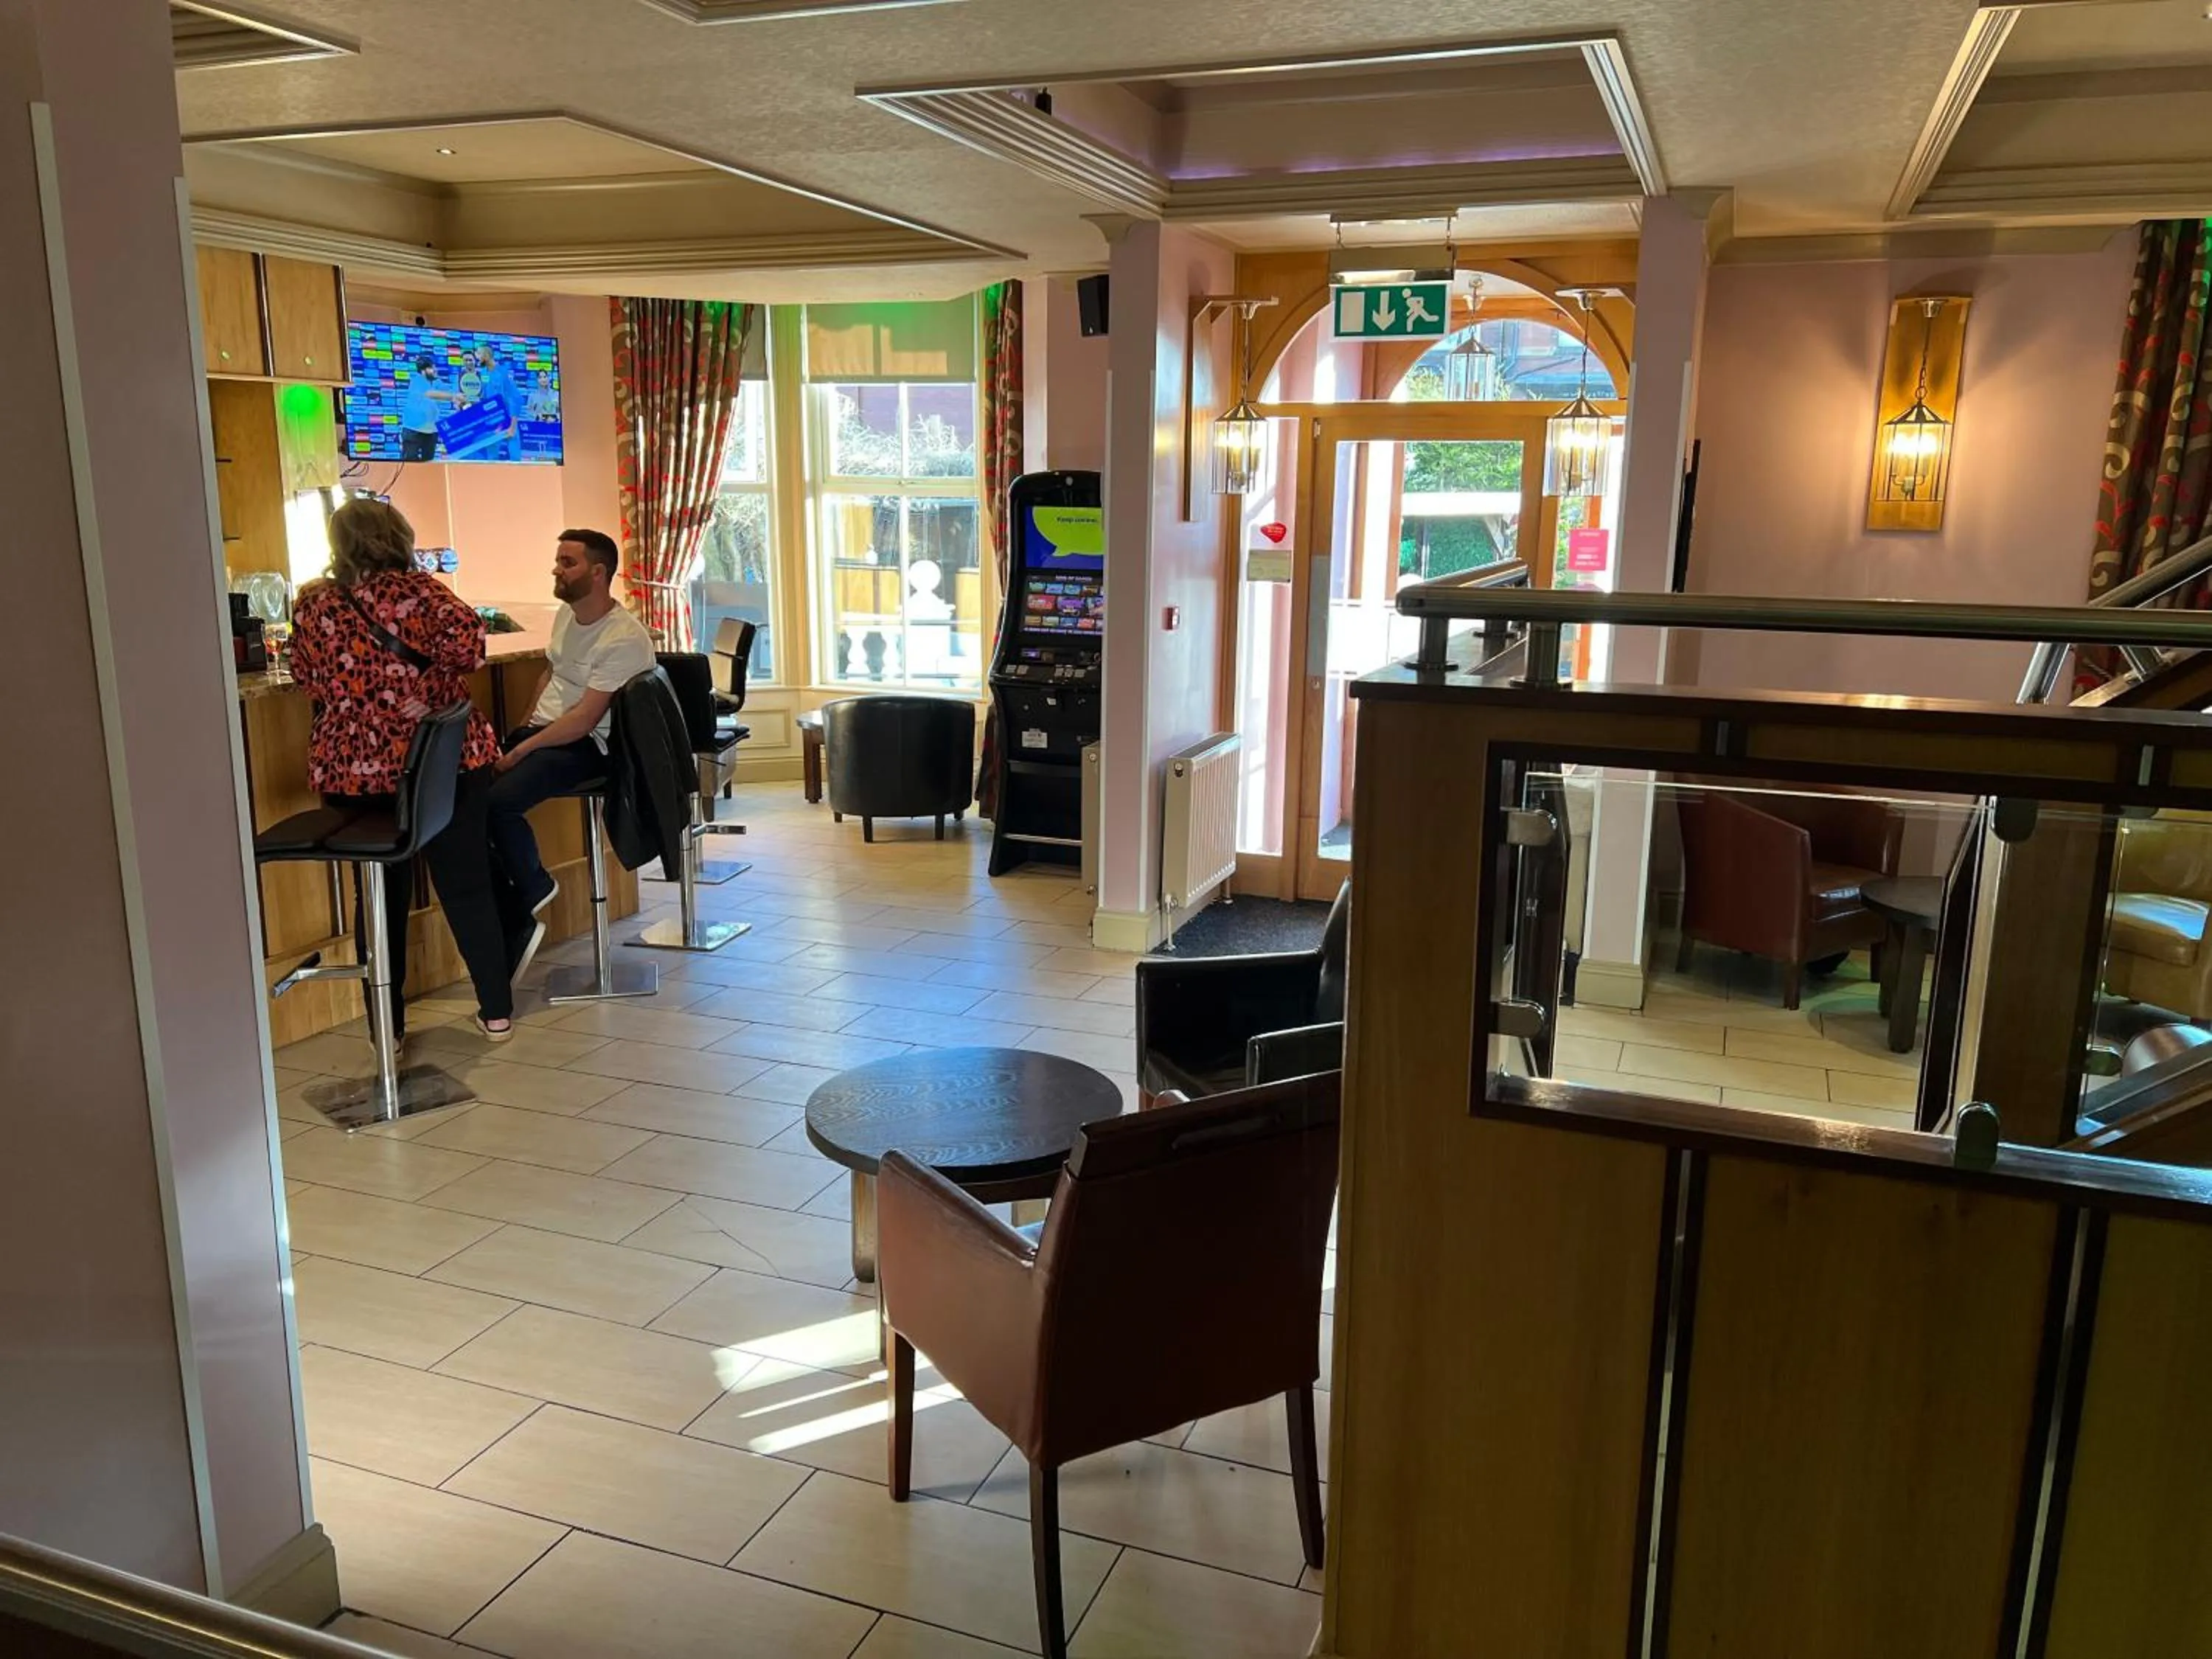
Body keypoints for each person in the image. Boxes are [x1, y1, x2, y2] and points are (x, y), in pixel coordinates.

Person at [286, 498, 524, 1040]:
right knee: (465, 883)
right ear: (399, 535)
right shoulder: (424, 593)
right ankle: (495, 1011)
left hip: (351, 769)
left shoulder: (314, 603)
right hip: (439, 758)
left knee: (375, 893)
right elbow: (471, 651)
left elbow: (306, 676)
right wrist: (426, 689)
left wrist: (361, 699)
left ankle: (385, 1026)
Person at [484, 528, 656, 976]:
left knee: (497, 802)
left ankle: (534, 886)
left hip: (592, 748)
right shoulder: (566, 615)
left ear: (599, 573)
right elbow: (551, 676)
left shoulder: (621, 637)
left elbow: (583, 719)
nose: (556, 570)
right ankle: (515, 910)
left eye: (568, 563)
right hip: (549, 733)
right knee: (467, 798)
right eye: (558, 560)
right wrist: (522, 731)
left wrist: (523, 752)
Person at [471, 344, 525, 461]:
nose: (477, 357)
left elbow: (515, 399)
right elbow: (483, 398)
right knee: (492, 458)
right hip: (492, 420)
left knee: (515, 458)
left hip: (508, 418)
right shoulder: (483, 373)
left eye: (479, 354)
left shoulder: (503, 373)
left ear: (487, 355)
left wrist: (512, 425)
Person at [396, 358, 455, 462]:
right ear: (423, 371)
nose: (435, 370)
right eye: (432, 368)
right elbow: (430, 394)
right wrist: (453, 397)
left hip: (431, 431)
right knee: (409, 464)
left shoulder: (436, 382)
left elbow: (449, 391)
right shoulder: (417, 380)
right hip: (413, 430)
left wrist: (458, 398)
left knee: (428, 465)